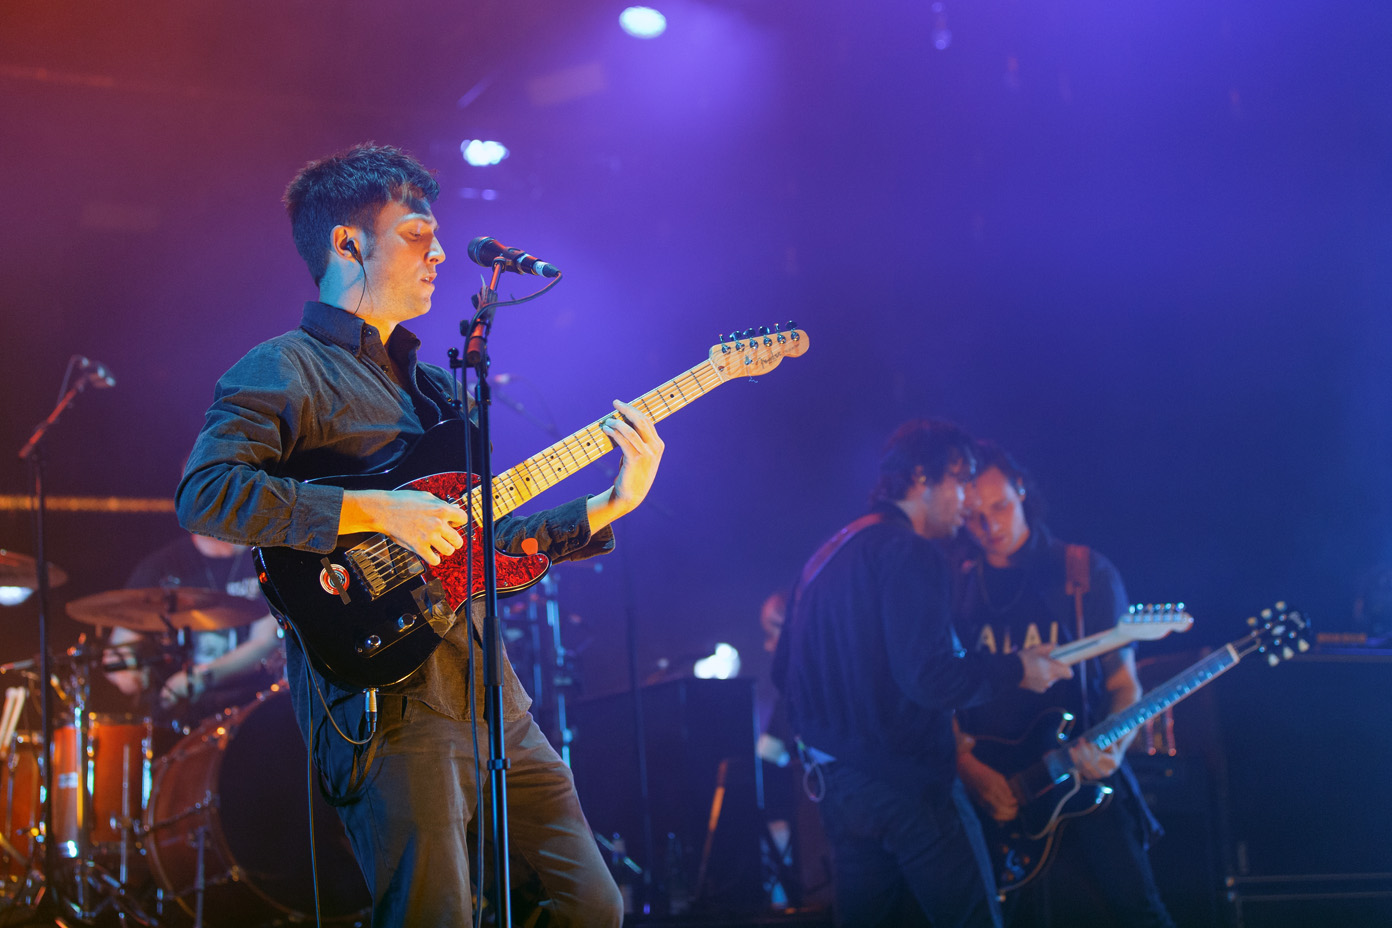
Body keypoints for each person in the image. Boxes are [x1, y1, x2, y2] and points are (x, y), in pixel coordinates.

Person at [174, 143, 664, 927]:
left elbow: (487, 537)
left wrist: (608, 503)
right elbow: (205, 495)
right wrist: (373, 511)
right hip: (386, 706)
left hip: (492, 695)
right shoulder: (282, 368)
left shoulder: (439, 385)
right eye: (416, 234)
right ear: (347, 242)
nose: (440, 252)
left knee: (593, 906)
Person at [773, 420, 1072, 928]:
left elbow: (784, 674)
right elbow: (930, 679)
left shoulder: (826, 555)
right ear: (919, 478)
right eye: (960, 481)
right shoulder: (910, 552)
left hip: (839, 793)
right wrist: (1020, 668)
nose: (969, 503)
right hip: (910, 786)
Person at [953, 440, 1174, 927]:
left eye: (1001, 507)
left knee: (1137, 911)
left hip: (1081, 774)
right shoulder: (958, 587)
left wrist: (1116, 743)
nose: (989, 527)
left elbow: (1122, 682)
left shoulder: (1083, 572)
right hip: (992, 787)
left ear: (1023, 492)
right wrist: (966, 766)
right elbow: (940, 696)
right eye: (973, 516)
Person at [105, 531, 282, 728]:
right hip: (178, 720)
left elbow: (265, 642)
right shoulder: (162, 566)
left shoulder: (261, 559)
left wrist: (200, 677)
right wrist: (129, 673)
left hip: (250, 711)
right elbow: (119, 649)